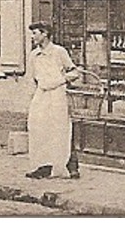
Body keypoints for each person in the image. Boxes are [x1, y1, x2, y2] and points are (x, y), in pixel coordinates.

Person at [25, 22, 83, 180]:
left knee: (60, 128)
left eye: (35, 33)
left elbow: (74, 72)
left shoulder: (59, 52)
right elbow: (31, 78)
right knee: (39, 128)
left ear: (44, 34)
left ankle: (71, 166)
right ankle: (43, 166)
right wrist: (32, 96)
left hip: (57, 94)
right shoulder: (33, 55)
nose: (32, 37)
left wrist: (60, 80)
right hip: (41, 94)